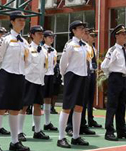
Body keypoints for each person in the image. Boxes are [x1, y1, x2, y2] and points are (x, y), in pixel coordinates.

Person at [0, 12, 31, 151]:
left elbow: (27, 61)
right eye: (19, 20)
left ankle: (14, 142)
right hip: (6, 75)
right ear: (12, 21)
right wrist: (3, 71)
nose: (22, 22)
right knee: (0, 108)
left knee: (15, 109)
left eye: (24, 20)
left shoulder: (25, 41)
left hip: (19, 76)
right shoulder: (5, 39)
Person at [56, 20, 90, 149]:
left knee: (79, 107)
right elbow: (63, 63)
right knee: (67, 107)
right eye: (80, 28)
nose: (83, 30)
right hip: (73, 76)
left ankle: (76, 136)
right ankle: (61, 138)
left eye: (83, 28)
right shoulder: (70, 44)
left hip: (83, 76)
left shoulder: (85, 45)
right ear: (74, 30)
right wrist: (66, 76)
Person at [101, 24, 126, 142]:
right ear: (116, 36)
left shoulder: (124, 51)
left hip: (124, 79)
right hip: (115, 78)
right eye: (123, 34)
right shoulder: (113, 50)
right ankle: (109, 131)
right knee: (112, 106)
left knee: (121, 106)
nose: (125, 36)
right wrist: (111, 75)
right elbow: (104, 66)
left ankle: (121, 130)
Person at [20, 25, 49, 141]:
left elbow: (45, 66)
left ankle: (37, 131)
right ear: (32, 35)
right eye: (38, 34)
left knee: (37, 105)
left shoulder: (44, 50)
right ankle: (19, 132)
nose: (41, 36)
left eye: (42, 34)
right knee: (24, 106)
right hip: (28, 79)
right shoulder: (26, 48)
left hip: (39, 80)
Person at [42, 30, 58, 131]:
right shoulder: (40, 49)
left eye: (53, 37)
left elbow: (54, 64)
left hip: (50, 75)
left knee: (48, 99)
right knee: (39, 100)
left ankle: (47, 122)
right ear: (44, 38)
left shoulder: (54, 50)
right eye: (49, 37)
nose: (51, 39)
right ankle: (35, 124)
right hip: (42, 75)